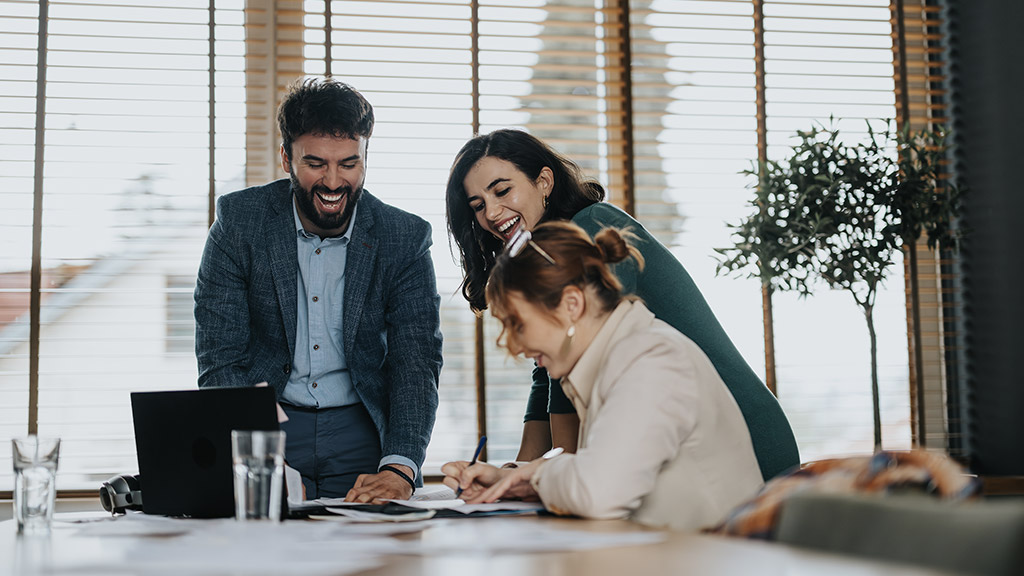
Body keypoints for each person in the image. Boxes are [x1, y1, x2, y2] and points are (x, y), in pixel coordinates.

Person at [445, 129, 798, 482]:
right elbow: (548, 371)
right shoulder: (546, 255)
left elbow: (570, 358)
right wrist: (518, 468)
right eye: (477, 205)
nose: (491, 212)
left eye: (502, 191)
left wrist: (543, 471)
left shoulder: (593, 226)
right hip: (685, 449)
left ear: (544, 182)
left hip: (743, 443)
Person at [194, 77, 442, 502]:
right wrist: (257, 449)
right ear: (286, 158)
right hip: (268, 426)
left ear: (365, 158)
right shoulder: (238, 223)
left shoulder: (404, 236)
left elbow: (415, 361)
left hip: (363, 431)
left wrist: (400, 463)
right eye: (315, 164)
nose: (332, 181)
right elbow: (221, 356)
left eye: (348, 163)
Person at [442, 222, 764, 531]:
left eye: (518, 325)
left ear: (572, 304)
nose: (514, 346)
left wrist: (538, 475)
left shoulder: (651, 359)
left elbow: (598, 492)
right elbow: (601, 475)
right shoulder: (616, 358)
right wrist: (509, 481)